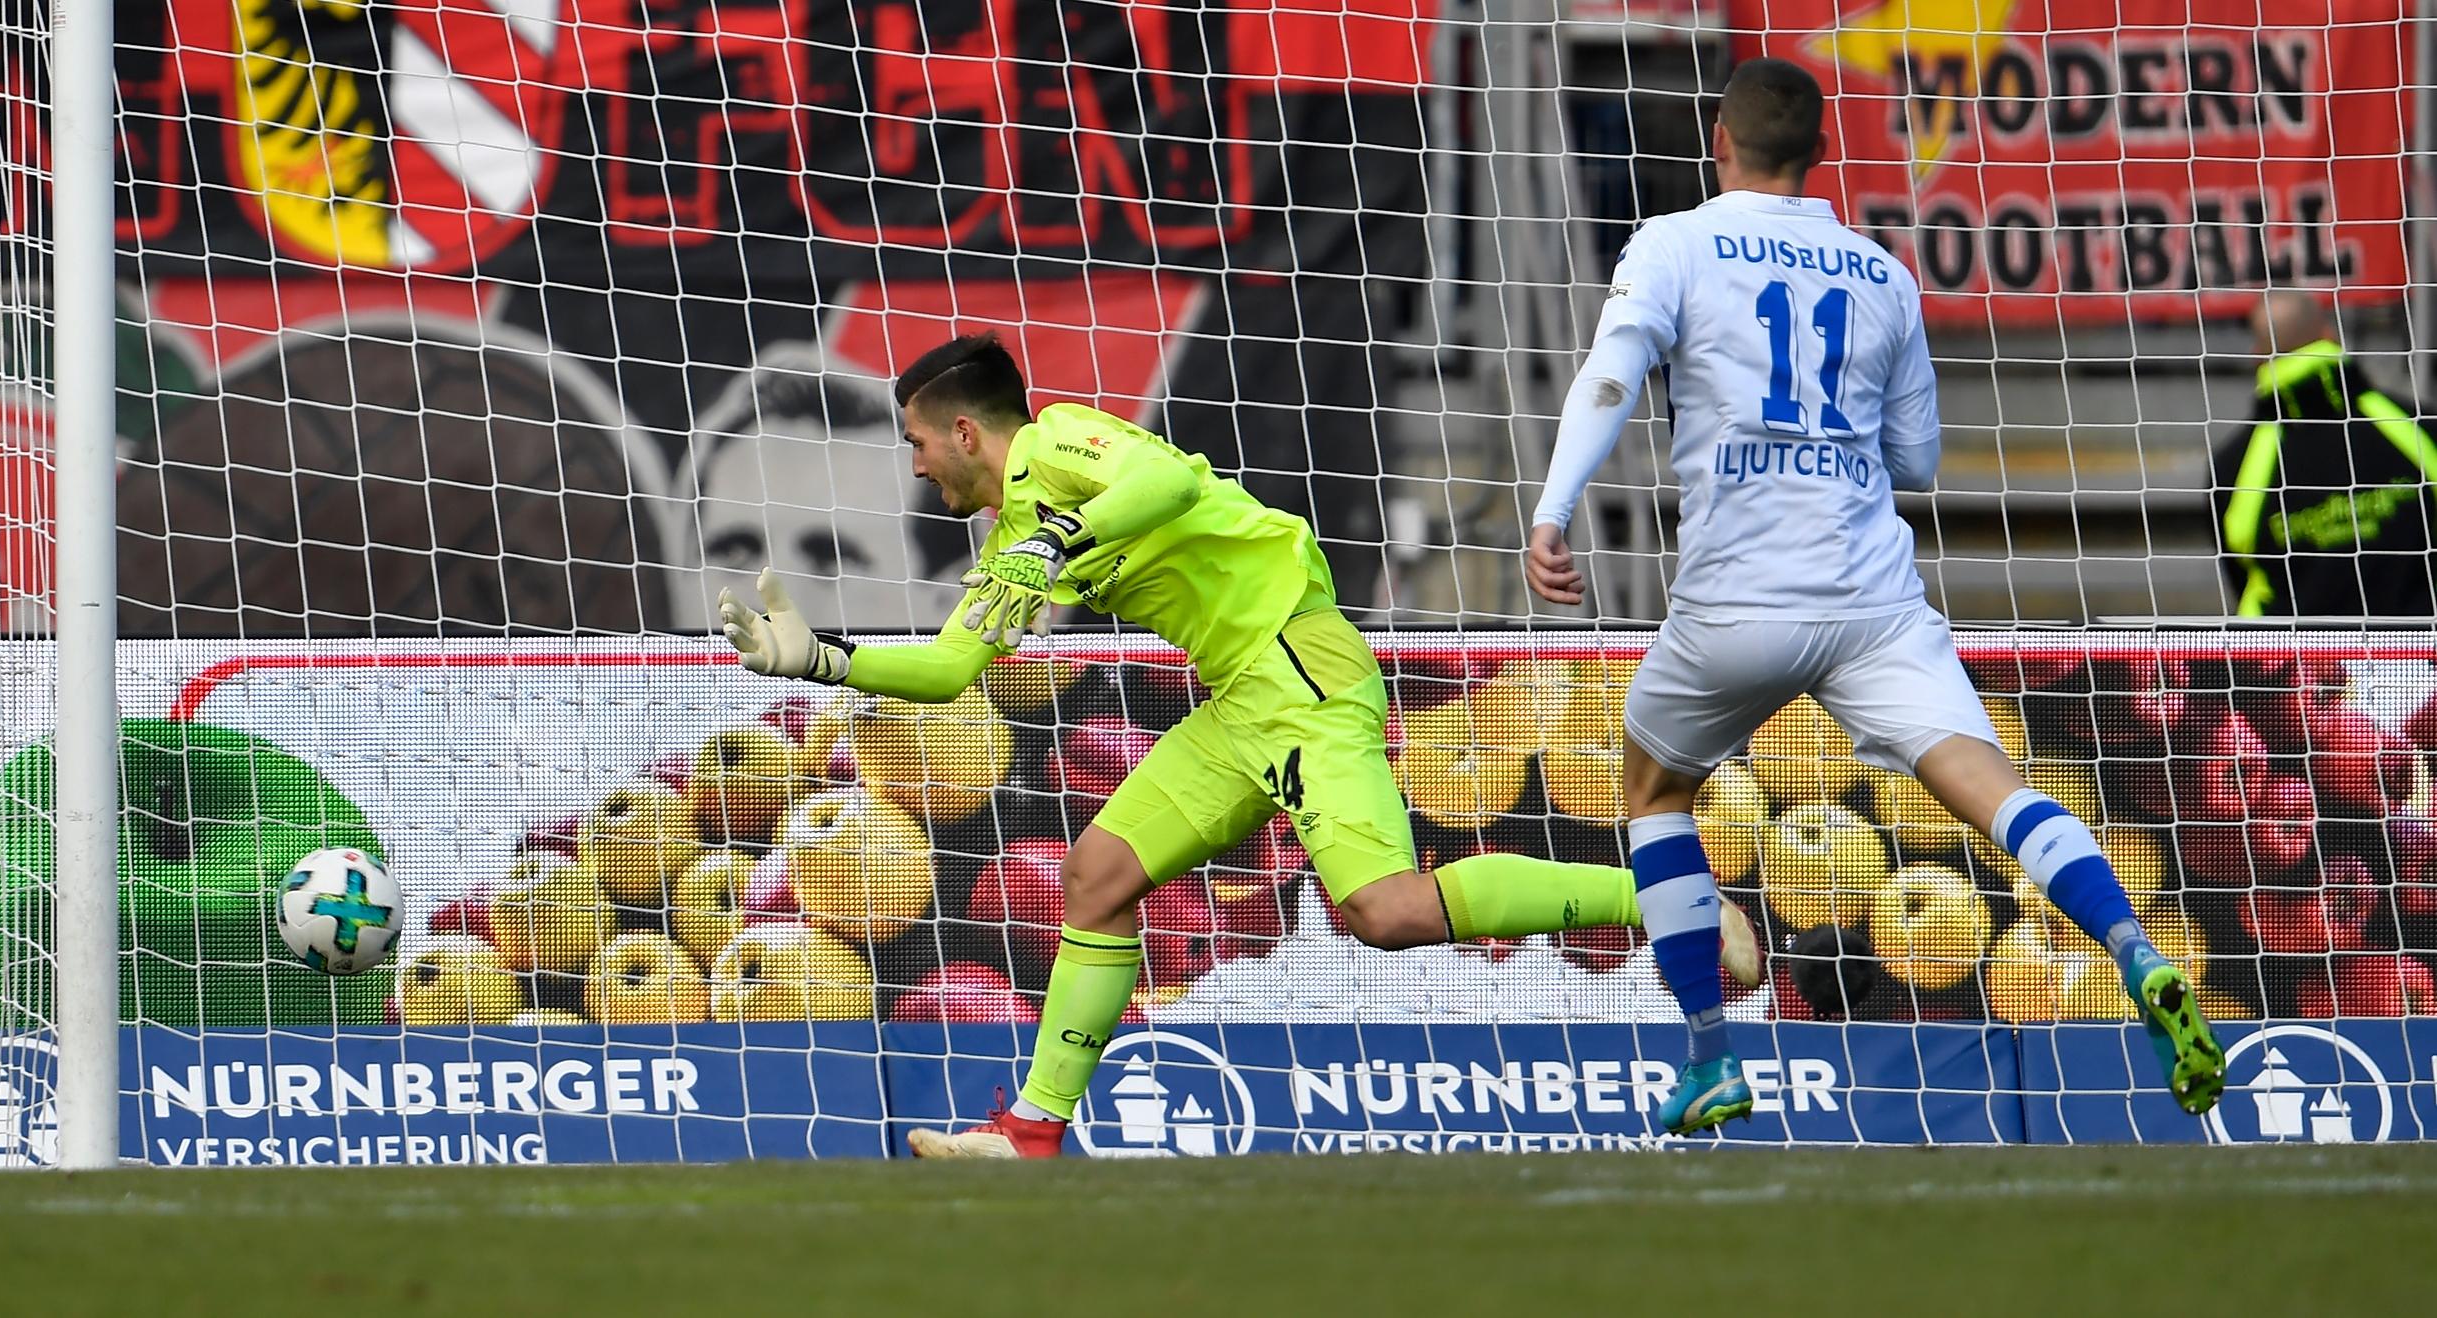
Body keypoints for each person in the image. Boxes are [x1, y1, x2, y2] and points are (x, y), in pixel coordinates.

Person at [722, 332, 1761, 1158]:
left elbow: (1168, 486)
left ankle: (1669, 900)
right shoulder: (1010, 539)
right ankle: (1031, 1134)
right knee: (1096, 876)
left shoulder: (1062, 443)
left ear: (962, 430)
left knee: (1387, 913)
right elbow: (952, 670)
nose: (913, 463)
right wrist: (817, 655)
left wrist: (1059, 539)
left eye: (914, 441)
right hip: (1237, 706)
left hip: (1303, 679)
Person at [1521, 57, 2223, 1132]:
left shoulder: (1670, 243)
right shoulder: (1881, 273)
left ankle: (1710, 1055)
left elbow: (1610, 375)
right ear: (1824, 153)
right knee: (1997, 793)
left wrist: (1553, 511)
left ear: (1717, 140)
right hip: (1870, 607)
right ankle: (2135, 949)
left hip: (1734, 607)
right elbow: (1918, 461)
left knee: (1654, 795)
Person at [2211, 290, 2437, 619]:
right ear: (2329, 334)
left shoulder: (2232, 466)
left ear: (2257, 355)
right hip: (2418, 658)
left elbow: (2240, 574)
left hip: (2296, 666)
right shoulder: (2416, 426)